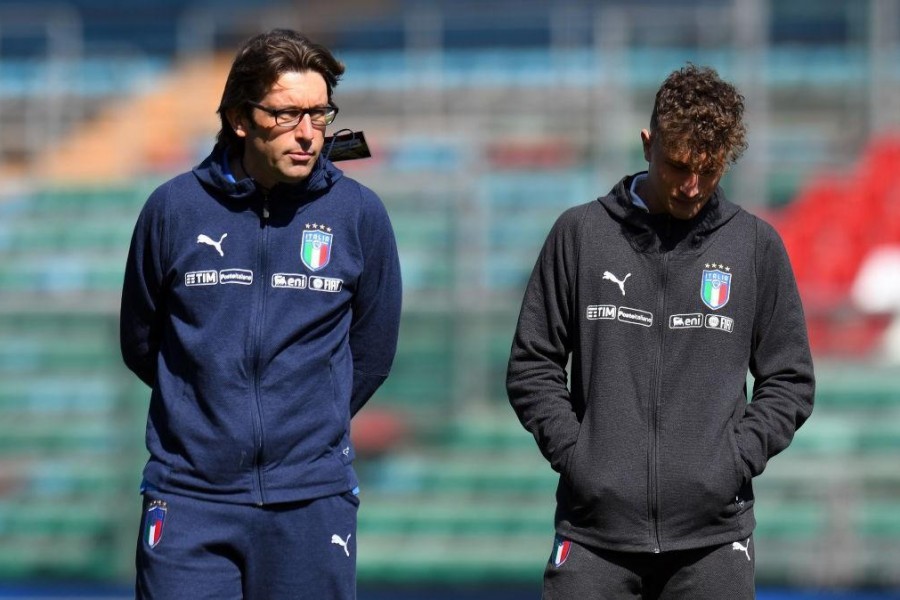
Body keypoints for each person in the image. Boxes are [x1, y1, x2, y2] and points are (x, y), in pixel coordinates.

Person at [506, 64, 814, 599]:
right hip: (594, 537)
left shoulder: (756, 247)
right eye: (677, 166)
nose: (693, 186)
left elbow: (789, 380)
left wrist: (730, 463)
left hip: (713, 542)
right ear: (648, 144)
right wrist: (584, 461)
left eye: (710, 170)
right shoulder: (579, 235)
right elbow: (532, 364)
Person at [120, 28, 402, 600]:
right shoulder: (172, 209)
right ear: (240, 119)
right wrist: (210, 408)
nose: (307, 134)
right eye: (287, 114)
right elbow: (141, 340)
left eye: (319, 115)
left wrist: (301, 418)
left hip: (311, 499)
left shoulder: (359, 214)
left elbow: (371, 353)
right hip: (189, 495)